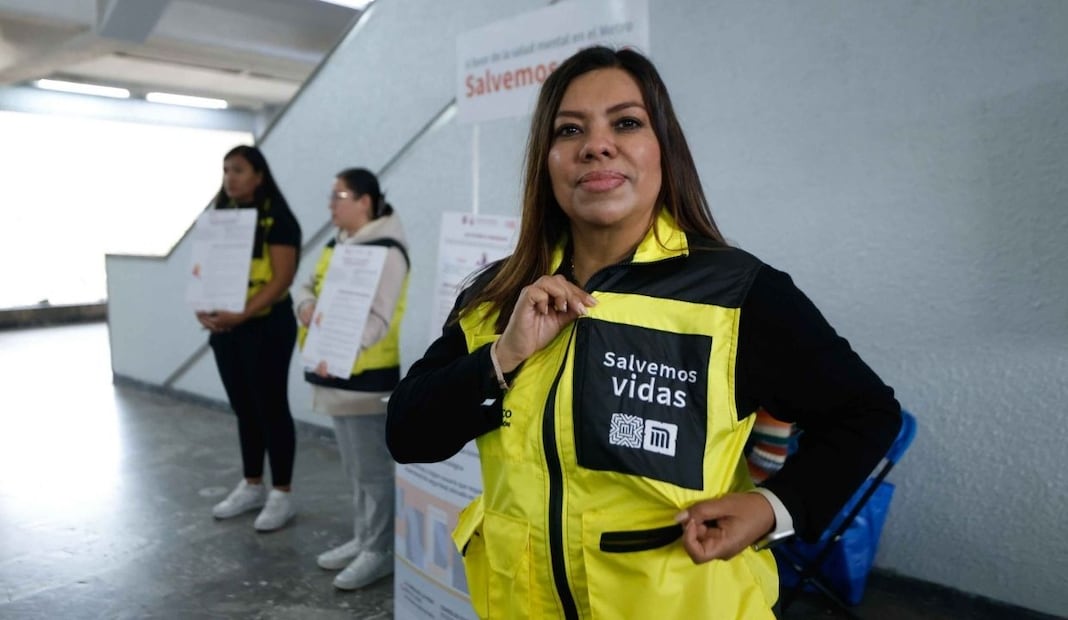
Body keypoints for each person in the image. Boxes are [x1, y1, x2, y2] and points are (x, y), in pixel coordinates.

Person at [385, 46, 902, 618]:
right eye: (569, 129)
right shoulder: (499, 297)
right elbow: (408, 434)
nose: (596, 144)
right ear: (547, 161)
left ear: (664, 151)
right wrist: (501, 357)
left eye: (626, 123)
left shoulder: (736, 293)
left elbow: (866, 413)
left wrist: (773, 507)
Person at [294, 168, 408, 590]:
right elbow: (305, 285)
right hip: (331, 371)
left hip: (365, 378)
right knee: (354, 468)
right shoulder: (337, 243)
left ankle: (380, 551)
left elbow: (379, 318)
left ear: (364, 201)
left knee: (373, 471)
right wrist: (306, 308)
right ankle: (364, 539)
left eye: (339, 195)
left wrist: (340, 350)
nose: (331, 204)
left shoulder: (389, 250)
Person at [198, 145, 302, 532]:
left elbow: (282, 278)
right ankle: (253, 484)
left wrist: (242, 312)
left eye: (238, 170)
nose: (230, 177)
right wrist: (203, 306)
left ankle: (283, 493)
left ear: (259, 175)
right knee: (244, 408)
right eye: (226, 170)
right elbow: (204, 269)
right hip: (227, 329)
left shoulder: (278, 217)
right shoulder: (220, 216)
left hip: (266, 327)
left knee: (271, 407)